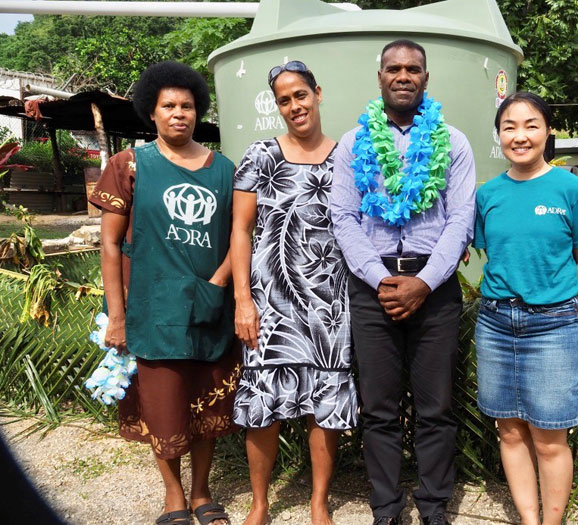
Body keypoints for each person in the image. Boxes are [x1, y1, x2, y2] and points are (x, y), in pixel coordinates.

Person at [331, 40, 476, 525]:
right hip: (372, 290)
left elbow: (460, 220)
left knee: (435, 408)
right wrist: (380, 279)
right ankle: (387, 510)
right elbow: (343, 219)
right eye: (393, 68)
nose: (403, 76)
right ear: (380, 79)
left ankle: (434, 508)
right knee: (379, 409)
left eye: (413, 69)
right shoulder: (353, 144)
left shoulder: (453, 142)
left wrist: (425, 282)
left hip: (434, 289)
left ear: (426, 79)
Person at [89, 61, 240, 525]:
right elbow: (110, 243)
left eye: (188, 106)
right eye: (169, 106)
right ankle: (173, 495)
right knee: (164, 403)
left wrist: (218, 283)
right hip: (153, 308)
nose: (180, 114)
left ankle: (201, 492)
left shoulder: (224, 169)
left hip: (211, 304)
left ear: (199, 111)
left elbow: (240, 236)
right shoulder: (129, 165)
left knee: (207, 398)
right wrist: (117, 314)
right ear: (150, 113)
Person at [231, 60, 358, 525]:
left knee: (326, 402)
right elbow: (241, 231)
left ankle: (319, 502)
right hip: (271, 300)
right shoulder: (261, 155)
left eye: (300, 95)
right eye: (284, 99)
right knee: (264, 402)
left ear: (317, 93)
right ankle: (260, 503)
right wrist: (243, 300)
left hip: (329, 301)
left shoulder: (347, 154)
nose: (294, 106)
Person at [473, 92, 578, 525]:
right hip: (494, 323)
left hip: (554, 325)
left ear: (548, 131)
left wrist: (563, 310)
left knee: (549, 437)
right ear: (500, 135)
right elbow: (490, 257)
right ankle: (529, 519)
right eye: (509, 126)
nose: (520, 135)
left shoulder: (574, 190)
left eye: (530, 125)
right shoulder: (487, 195)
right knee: (509, 430)